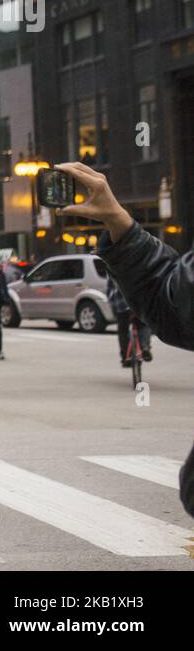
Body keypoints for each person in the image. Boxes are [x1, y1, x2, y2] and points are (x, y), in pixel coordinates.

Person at [54, 161, 194, 517]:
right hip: (130, 302)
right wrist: (119, 221)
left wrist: (118, 221)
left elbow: (171, 306)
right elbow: (172, 302)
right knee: (128, 328)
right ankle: (134, 350)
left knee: (134, 327)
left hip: (137, 299)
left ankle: (138, 348)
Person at [106, 272, 153, 367]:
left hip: (122, 305)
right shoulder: (140, 260)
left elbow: (109, 290)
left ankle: (125, 357)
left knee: (123, 329)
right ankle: (145, 347)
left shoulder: (112, 263)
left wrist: (113, 304)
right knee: (144, 323)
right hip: (139, 303)